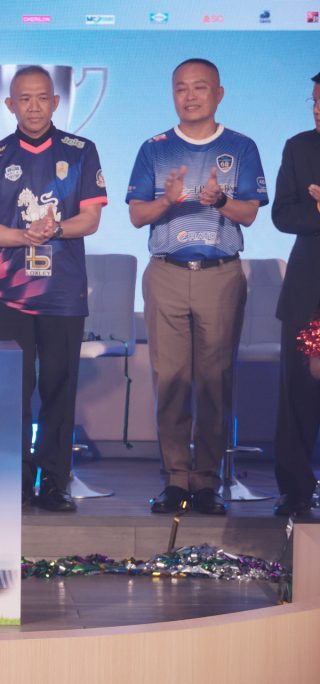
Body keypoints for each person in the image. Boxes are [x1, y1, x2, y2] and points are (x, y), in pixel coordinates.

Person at [126, 58, 268, 516]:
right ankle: (175, 479)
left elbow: (250, 213)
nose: (190, 96)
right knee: (170, 380)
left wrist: (221, 199)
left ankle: (206, 482)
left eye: (200, 87)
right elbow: (137, 215)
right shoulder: (154, 148)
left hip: (219, 274)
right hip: (166, 272)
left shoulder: (240, 147)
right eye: (181, 88)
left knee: (214, 382)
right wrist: (166, 201)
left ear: (219, 93)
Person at [0, 65, 107, 513]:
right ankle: (16, 483)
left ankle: (55, 484)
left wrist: (55, 229)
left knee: (58, 392)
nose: (33, 107)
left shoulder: (81, 151)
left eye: (42, 98)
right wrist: (24, 235)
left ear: (55, 102)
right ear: (10, 104)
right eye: (24, 99)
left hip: (63, 294)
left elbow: (91, 218)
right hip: (9, 295)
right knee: (11, 393)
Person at [271, 71, 320, 517]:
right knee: (299, 393)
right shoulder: (299, 147)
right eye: (315, 102)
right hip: (309, 290)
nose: (318, 110)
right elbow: (283, 215)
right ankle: (295, 489)